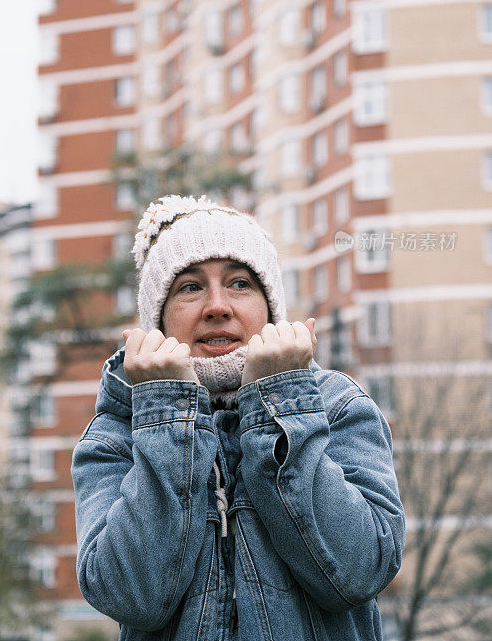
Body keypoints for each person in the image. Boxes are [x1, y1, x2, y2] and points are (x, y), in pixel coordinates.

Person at [71, 194, 404, 641]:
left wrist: (281, 402)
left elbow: (360, 572)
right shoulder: (117, 432)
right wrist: (168, 413)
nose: (217, 306)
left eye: (241, 283)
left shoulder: (339, 406)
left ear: (270, 307)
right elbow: (132, 598)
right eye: (189, 287)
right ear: (159, 321)